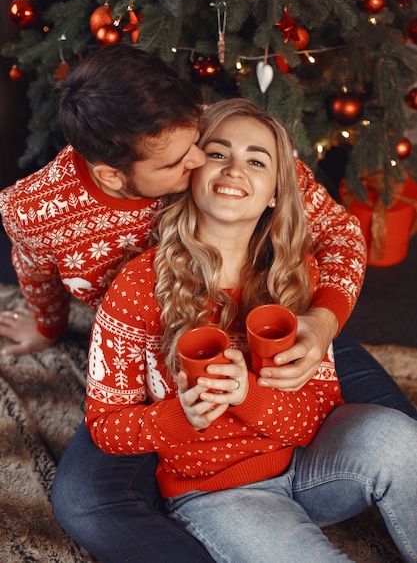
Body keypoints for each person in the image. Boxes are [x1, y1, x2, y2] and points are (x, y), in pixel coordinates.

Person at [0, 44, 415, 562]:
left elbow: (336, 232)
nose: (203, 158)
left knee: (400, 434)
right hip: (155, 357)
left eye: (201, 142)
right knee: (89, 505)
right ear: (113, 175)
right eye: (188, 159)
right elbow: (34, 269)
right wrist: (46, 324)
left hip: (288, 318)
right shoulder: (44, 214)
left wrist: (321, 324)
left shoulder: (207, 136)